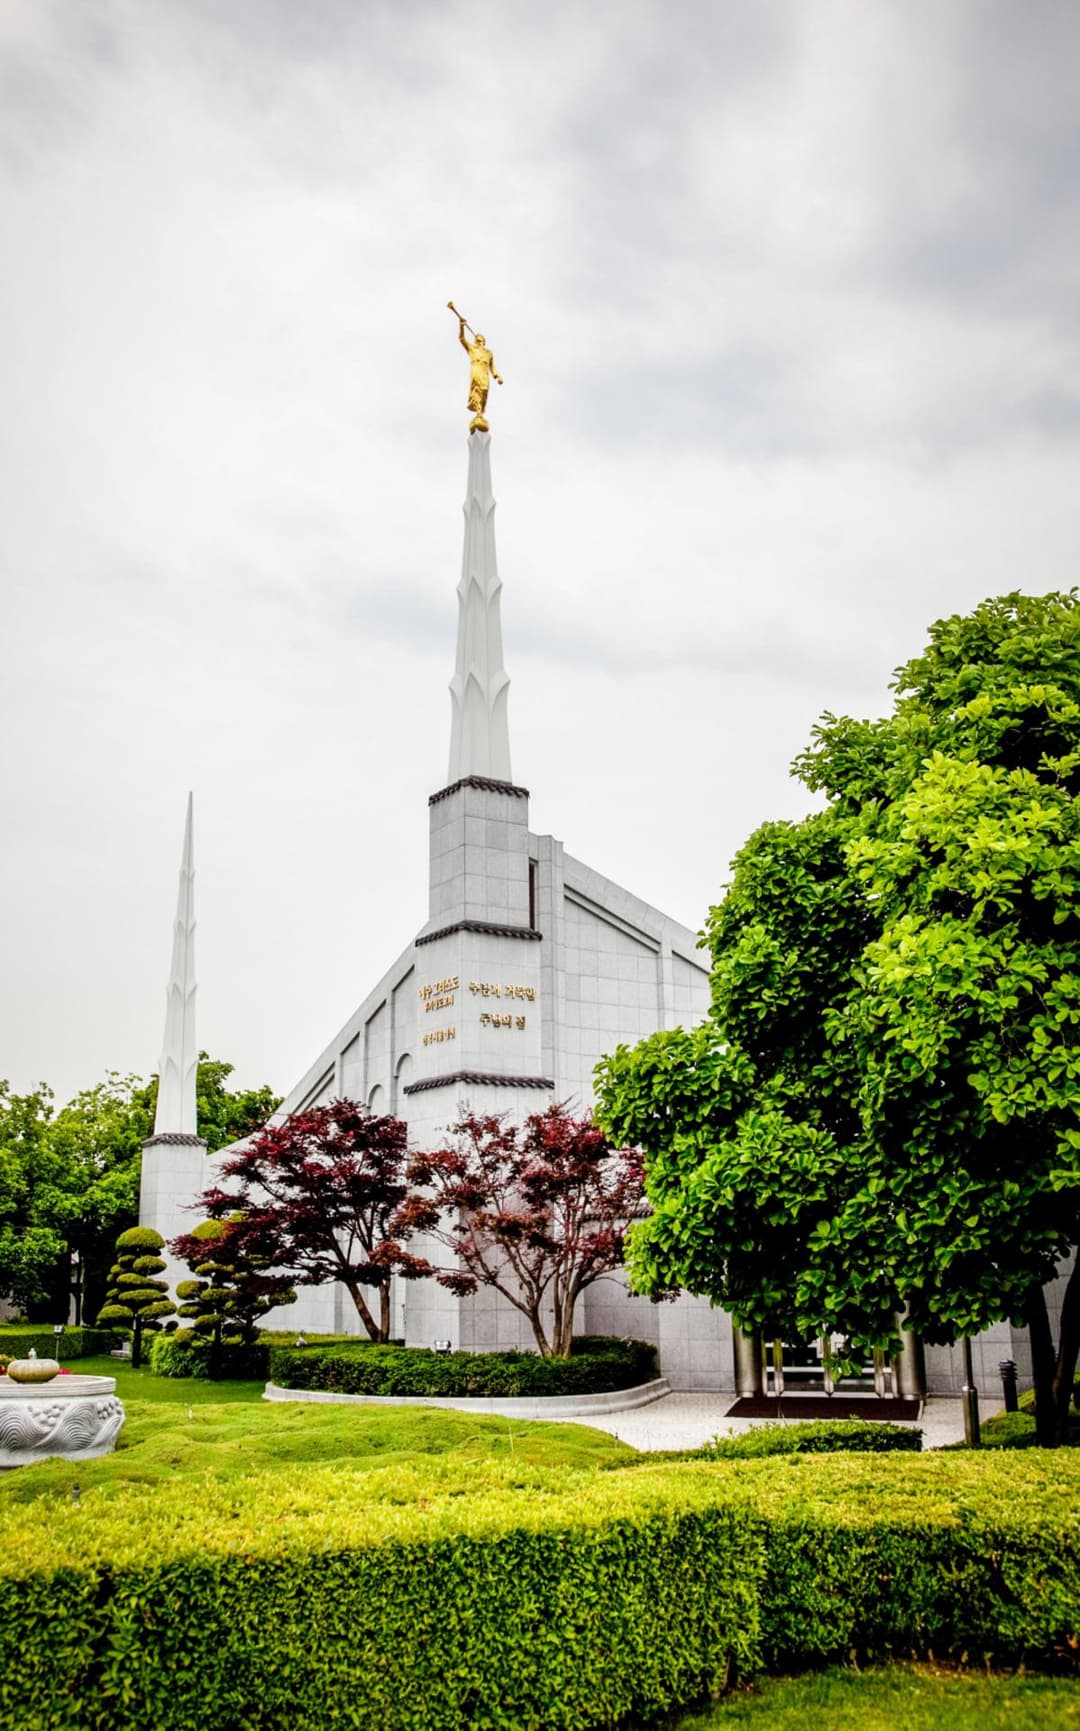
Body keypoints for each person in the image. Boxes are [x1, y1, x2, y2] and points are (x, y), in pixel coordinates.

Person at [458, 317, 503, 430]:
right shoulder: (472, 349)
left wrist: (497, 376)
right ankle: (478, 413)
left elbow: (492, 367)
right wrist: (462, 326)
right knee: (476, 391)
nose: (477, 341)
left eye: (479, 340)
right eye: (476, 340)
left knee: (484, 390)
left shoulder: (488, 353)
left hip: (484, 373)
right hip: (476, 370)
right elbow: (462, 339)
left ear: (483, 341)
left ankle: (481, 411)